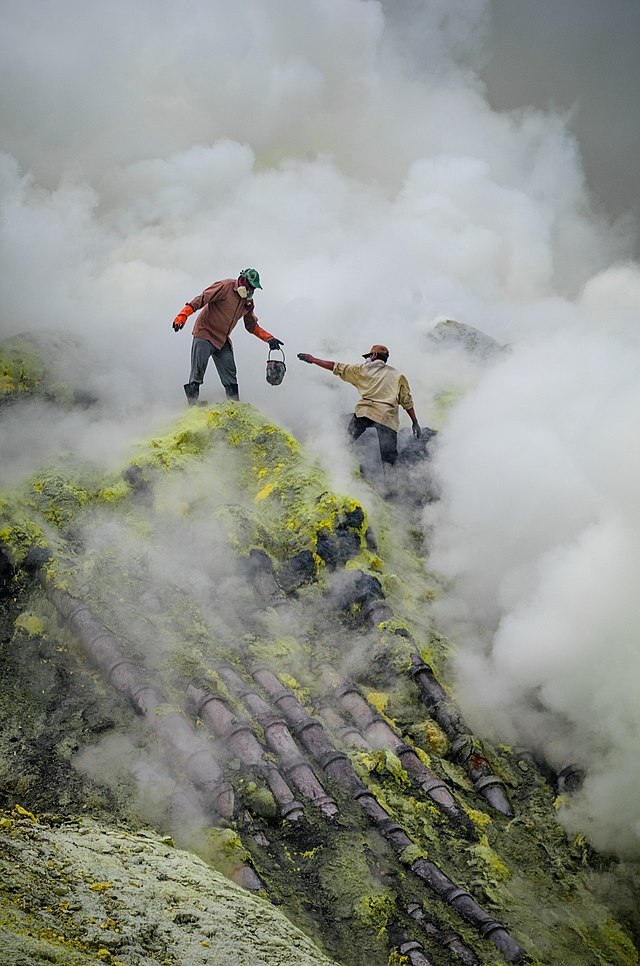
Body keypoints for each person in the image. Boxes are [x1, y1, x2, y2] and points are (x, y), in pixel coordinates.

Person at [297, 344, 421, 469]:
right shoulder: (398, 376)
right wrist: (415, 422)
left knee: (345, 442)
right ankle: (391, 483)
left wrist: (313, 359)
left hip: (365, 413)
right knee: (389, 460)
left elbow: (336, 367)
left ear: (373, 356)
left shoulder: (362, 369)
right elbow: (407, 402)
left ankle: (331, 466)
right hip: (387, 418)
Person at [172, 268, 284, 404]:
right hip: (205, 332)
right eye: (249, 287)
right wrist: (183, 315)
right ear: (242, 280)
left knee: (230, 372)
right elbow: (201, 299)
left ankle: (234, 406)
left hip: (222, 339)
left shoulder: (247, 303)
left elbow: (251, 326)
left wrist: (270, 339)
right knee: (198, 369)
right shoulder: (225, 287)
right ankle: (193, 405)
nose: (250, 291)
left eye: (253, 289)